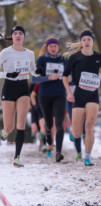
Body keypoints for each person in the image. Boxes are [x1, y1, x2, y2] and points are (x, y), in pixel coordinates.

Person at [62, 29, 101, 166]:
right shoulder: (75, 58)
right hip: (78, 95)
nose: (87, 42)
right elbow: (64, 76)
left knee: (89, 126)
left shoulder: (99, 57)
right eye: (84, 40)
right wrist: (69, 92)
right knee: (77, 133)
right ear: (81, 42)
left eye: (89, 39)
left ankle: (87, 157)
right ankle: (73, 130)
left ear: (93, 41)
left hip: (93, 95)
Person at [0, 26, 42, 167]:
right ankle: (4, 132)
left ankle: (17, 158)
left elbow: (33, 71)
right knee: (9, 127)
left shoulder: (29, 53)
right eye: (15, 33)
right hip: (9, 88)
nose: (18, 35)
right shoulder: (6, 52)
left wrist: (38, 72)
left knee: (21, 124)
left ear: (24, 37)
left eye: (20, 33)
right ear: (12, 36)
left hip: (24, 88)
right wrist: (7, 75)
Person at [32, 37, 67, 162]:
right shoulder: (42, 60)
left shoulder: (63, 59)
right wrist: (49, 78)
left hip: (60, 95)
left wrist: (68, 79)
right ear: (47, 48)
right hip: (44, 95)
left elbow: (71, 77)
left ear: (58, 48)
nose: (53, 48)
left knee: (59, 123)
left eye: (55, 46)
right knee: (48, 123)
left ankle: (58, 152)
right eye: (51, 46)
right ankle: (49, 140)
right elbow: (34, 79)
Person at [29, 83, 47, 152]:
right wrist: (30, 104)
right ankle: (41, 143)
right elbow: (29, 95)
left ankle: (43, 144)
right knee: (37, 126)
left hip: (42, 107)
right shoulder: (33, 83)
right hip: (35, 107)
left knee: (43, 125)